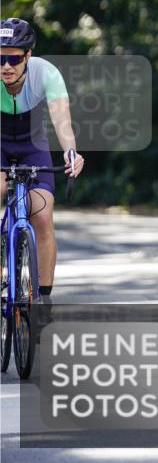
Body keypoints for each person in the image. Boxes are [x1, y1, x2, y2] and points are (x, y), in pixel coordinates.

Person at [0, 18, 85, 305]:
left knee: (44, 217)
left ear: (28, 56)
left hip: (33, 146)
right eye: (0, 58)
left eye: (13, 58)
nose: (6, 66)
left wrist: (70, 153)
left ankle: (44, 301)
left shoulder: (47, 74)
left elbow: (62, 123)